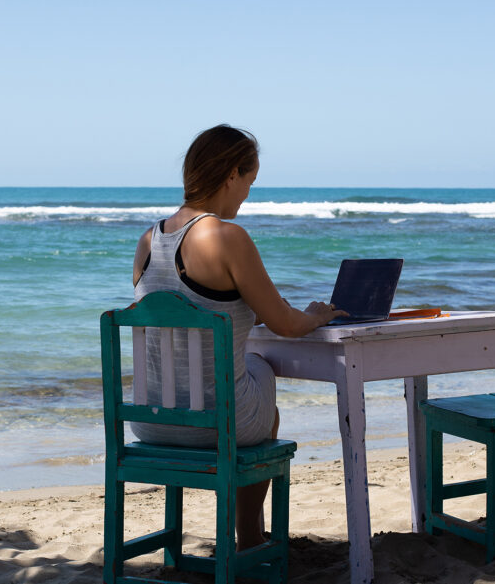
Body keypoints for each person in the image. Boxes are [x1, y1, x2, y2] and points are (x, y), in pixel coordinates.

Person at [131, 124, 346, 550]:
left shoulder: (147, 240)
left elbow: (182, 315)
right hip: (217, 426)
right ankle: (249, 538)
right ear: (231, 175)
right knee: (261, 375)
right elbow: (285, 325)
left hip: (150, 421)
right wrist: (315, 316)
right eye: (249, 181)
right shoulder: (227, 237)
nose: (248, 193)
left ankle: (246, 536)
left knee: (247, 371)